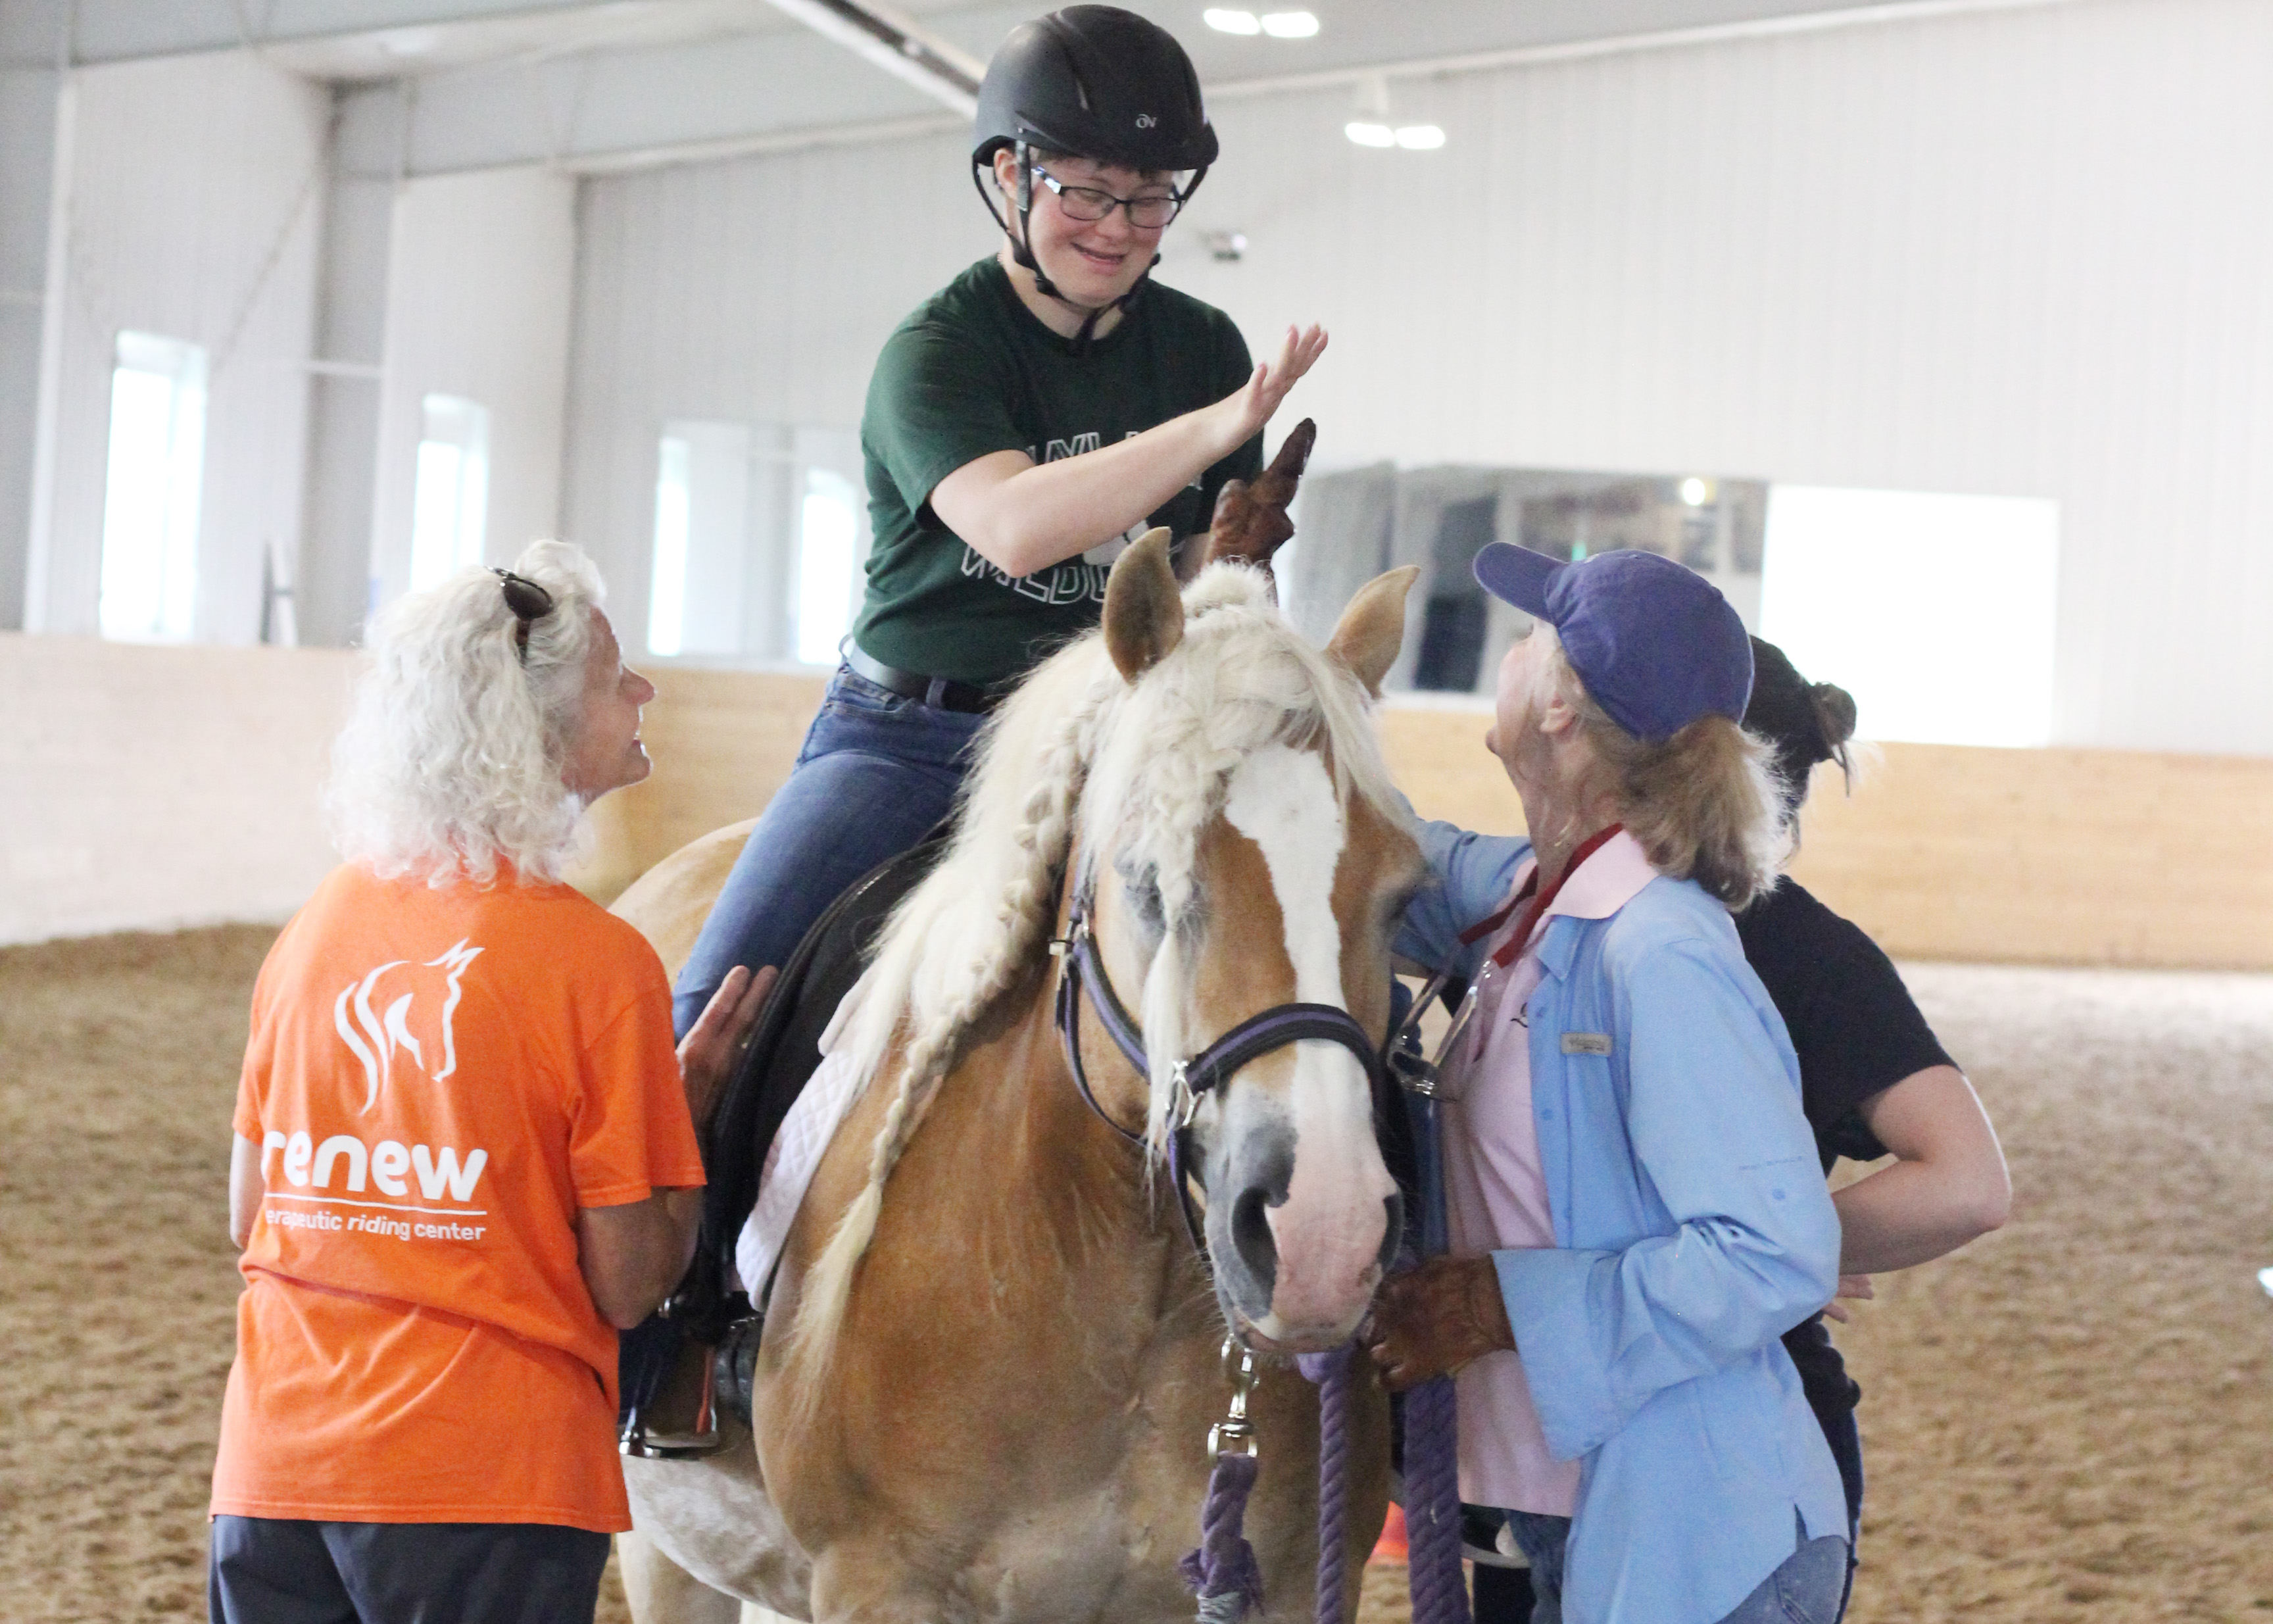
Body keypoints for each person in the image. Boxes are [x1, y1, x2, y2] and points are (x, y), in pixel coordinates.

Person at [670, 3, 1327, 1037]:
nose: (1117, 229)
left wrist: (1241, 568)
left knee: (1306, 960)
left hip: (1108, 739)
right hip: (913, 740)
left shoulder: (1202, 347)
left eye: (1148, 200)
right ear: (1011, 178)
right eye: (1087, 193)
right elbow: (1015, 527)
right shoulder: (937, 350)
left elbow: (1199, 589)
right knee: (710, 1009)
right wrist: (1218, 428)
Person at [208, 542, 768, 1624]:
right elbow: (626, 1283)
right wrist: (682, 1120)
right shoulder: (597, 966)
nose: (644, 689)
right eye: (616, 676)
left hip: (273, 1468)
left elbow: (251, 1213)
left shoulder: (318, 927)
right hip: (487, 1481)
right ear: (538, 726)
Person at [1364, 545, 1849, 1624]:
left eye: (1532, 634)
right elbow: (1382, 851)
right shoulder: (1539, 895)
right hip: (1583, 1527)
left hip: (1701, 1548)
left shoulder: (1661, 946)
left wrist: (1499, 1303)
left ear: (1561, 708)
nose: (1514, 647)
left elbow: (1775, 1248)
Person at [1738, 636, 2012, 1613]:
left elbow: (1969, 1181)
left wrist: (1775, 1249)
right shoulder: (1548, 906)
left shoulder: (1807, 954)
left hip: (1754, 1438)